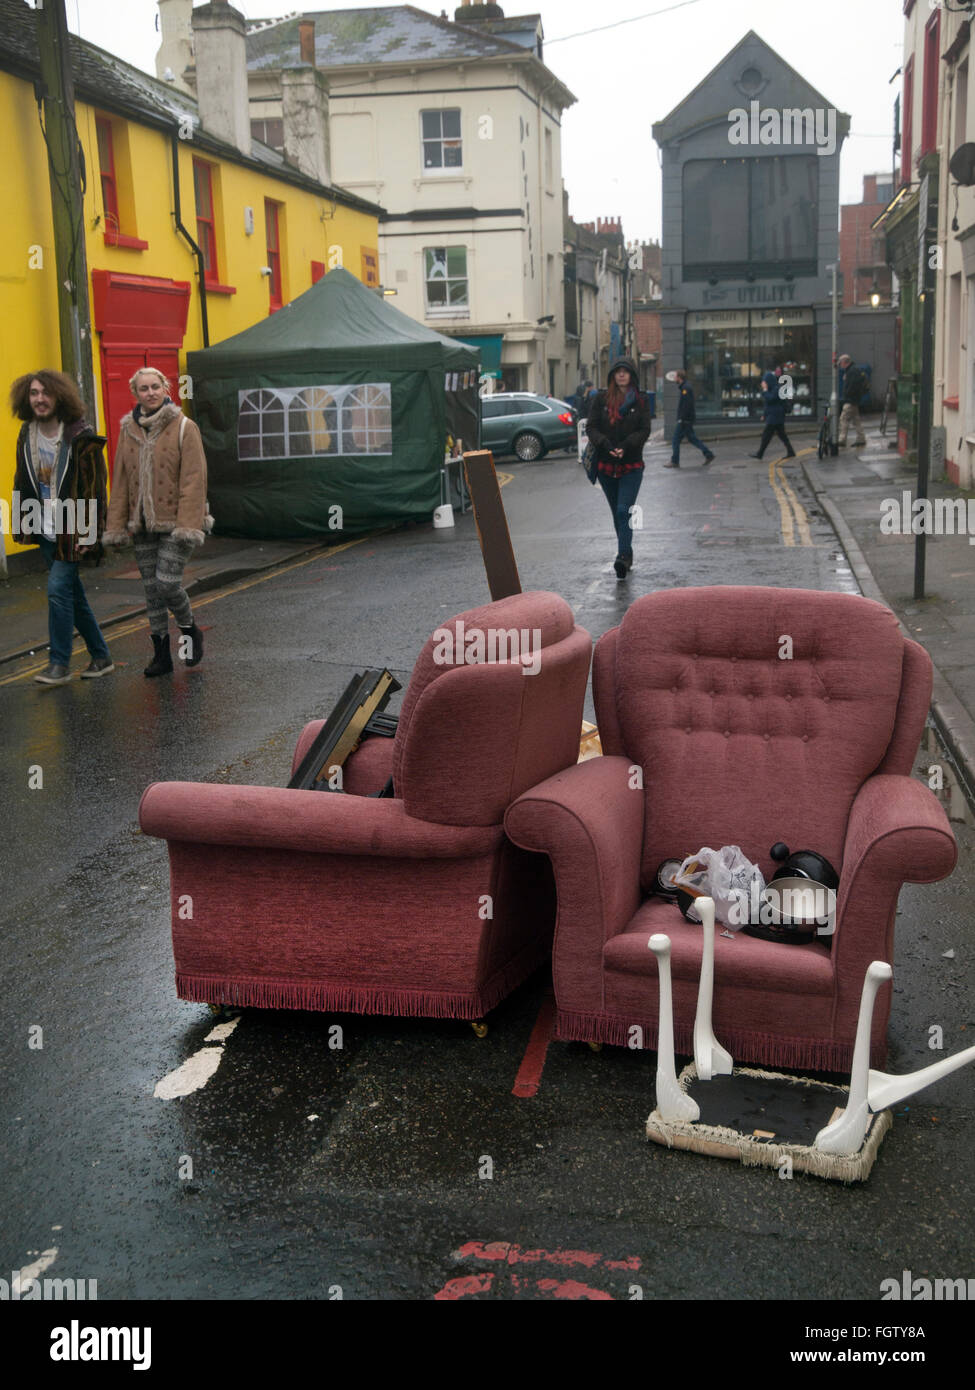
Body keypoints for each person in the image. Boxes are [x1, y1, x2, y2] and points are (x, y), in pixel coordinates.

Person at [103, 367, 210, 677]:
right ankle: (161, 655)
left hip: (177, 522)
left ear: (166, 389)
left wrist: (188, 524)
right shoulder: (128, 430)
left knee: (167, 583)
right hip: (142, 525)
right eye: (143, 388)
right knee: (152, 591)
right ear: (135, 394)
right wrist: (116, 524)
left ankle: (190, 629)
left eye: (154, 386)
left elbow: (194, 478)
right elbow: (121, 480)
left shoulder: (184, 427)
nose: (149, 392)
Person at [10, 369, 114, 685]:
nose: (40, 399)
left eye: (46, 393)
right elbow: (22, 480)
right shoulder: (26, 434)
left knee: (57, 590)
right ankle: (101, 656)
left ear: (59, 396)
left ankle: (59, 663)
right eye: (34, 393)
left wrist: (89, 531)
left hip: (71, 528)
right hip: (44, 527)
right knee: (73, 596)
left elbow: (95, 487)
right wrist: (22, 522)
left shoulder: (81, 436)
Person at [584, 357, 652, 578]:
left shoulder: (640, 400)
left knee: (625, 510)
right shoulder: (601, 399)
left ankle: (622, 557)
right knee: (617, 514)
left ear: (632, 375)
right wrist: (606, 444)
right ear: (613, 375)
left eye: (626, 371)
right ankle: (627, 552)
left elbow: (644, 430)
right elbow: (591, 427)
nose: (622, 374)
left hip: (631, 465)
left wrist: (625, 446)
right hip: (606, 467)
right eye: (618, 371)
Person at [666, 370, 714, 468]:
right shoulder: (684, 387)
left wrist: (681, 419)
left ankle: (675, 461)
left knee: (675, 440)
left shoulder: (685, 388)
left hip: (685, 420)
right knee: (692, 439)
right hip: (687, 420)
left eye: (675, 377)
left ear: (679, 377)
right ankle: (709, 454)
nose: (674, 378)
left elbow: (687, 405)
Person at [748, 368, 796, 460]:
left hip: (776, 416)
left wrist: (765, 390)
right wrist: (764, 415)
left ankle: (760, 453)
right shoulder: (771, 389)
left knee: (767, 435)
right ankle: (791, 451)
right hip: (774, 416)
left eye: (764, 381)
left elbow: (771, 399)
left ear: (768, 381)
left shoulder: (776, 389)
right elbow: (768, 404)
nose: (763, 383)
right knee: (782, 435)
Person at [837, 354, 868, 448]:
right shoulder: (853, 370)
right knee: (856, 420)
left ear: (845, 362)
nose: (840, 365)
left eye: (840, 363)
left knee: (843, 418)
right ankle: (861, 438)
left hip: (850, 399)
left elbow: (852, 386)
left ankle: (842, 439)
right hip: (854, 399)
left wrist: (847, 396)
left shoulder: (852, 371)